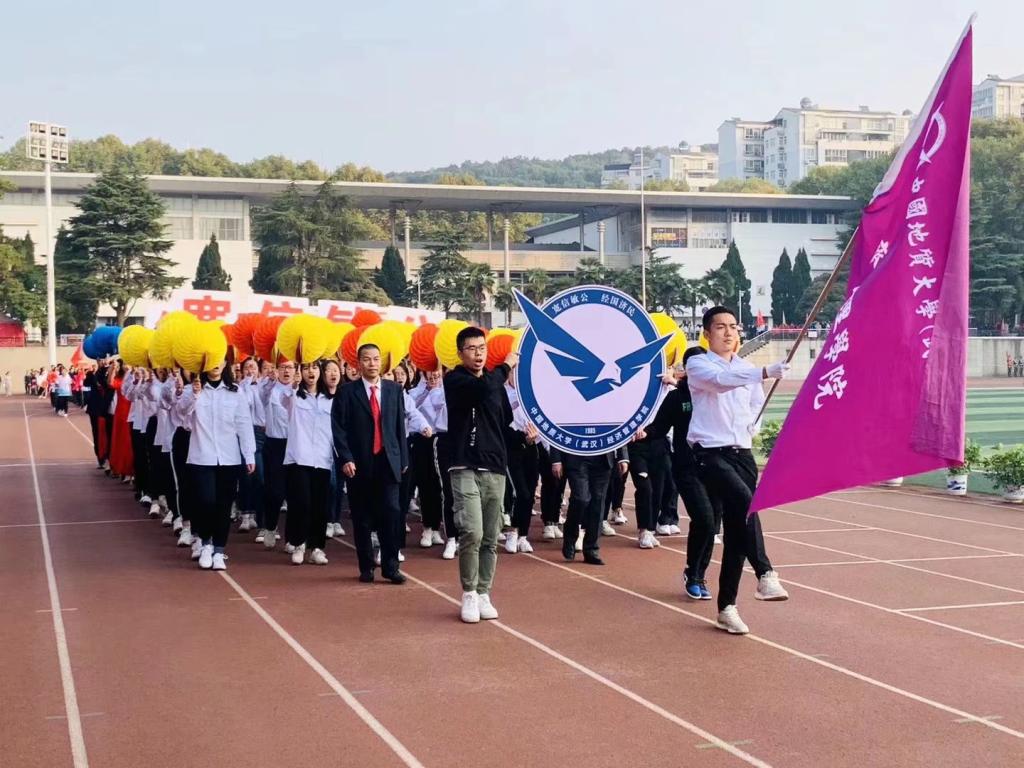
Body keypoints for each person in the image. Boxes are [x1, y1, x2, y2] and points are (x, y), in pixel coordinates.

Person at [686, 306, 790, 635]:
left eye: (733, 326)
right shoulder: (698, 364)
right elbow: (721, 383)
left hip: (742, 454)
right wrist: (764, 371)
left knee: (737, 532)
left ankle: (726, 608)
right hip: (710, 453)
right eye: (720, 327)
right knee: (747, 504)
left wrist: (752, 425)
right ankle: (765, 573)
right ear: (707, 333)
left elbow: (755, 404)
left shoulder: (746, 368)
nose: (729, 332)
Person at [442, 327, 516, 623]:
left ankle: (484, 591)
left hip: (494, 466)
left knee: (490, 535)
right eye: (472, 348)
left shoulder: (495, 384)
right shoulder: (455, 380)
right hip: (464, 465)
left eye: (482, 348)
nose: (478, 354)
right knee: (471, 531)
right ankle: (469, 592)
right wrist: (506, 366)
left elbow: (506, 419)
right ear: (460, 353)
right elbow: (482, 389)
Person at [644, 347, 722, 600]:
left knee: (712, 524)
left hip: (718, 467)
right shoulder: (677, 397)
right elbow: (658, 428)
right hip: (687, 468)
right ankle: (693, 573)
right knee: (704, 519)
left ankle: (698, 574)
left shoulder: (717, 393)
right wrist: (642, 433)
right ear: (688, 369)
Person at [332, 343, 409, 585]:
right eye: (367, 359)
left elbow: (399, 426)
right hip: (359, 463)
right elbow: (338, 429)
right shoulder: (347, 392)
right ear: (358, 363)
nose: (372, 363)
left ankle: (391, 566)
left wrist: (403, 458)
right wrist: (346, 458)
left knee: (392, 512)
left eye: (376, 359)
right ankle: (366, 566)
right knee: (362, 517)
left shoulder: (394, 390)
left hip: (388, 460)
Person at [175, 361, 255, 571]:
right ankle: (206, 543)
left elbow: (244, 423)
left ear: (225, 363)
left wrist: (249, 454)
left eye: (220, 359)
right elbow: (182, 418)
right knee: (206, 500)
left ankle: (219, 550)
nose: (216, 364)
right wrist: (194, 395)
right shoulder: (192, 390)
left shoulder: (235, 391)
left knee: (223, 505)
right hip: (201, 456)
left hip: (229, 457)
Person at [281, 360, 336, 566]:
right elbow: (281, 398)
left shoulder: (330, 399)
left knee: (320, 505)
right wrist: (292, 385)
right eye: (305, 368)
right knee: (301, 502)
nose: (310, 371)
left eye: (314, 367)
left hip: (322, 458)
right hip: (298, 457)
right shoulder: (294, 396)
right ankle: (299, 544)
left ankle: (317, 548)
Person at [550, 445, 629, 566]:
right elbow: (556, 432)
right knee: (581, 499)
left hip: (603, 458)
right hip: (576, 456)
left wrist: (623, 457)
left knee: (598, 504)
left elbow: (618, 432)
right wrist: (556, 459)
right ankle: (570, 535)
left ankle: (591, 549)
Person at [258, 358, 296, 549]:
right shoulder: (270, 389)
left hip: (296, 445)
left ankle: (292, 538)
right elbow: (262, 394)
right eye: (283, 367)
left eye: (290, 367)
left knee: (295, 493)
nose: (286, 371)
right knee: (275, 491)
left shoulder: (300, 389)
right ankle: (271, 527)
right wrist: (269, 379)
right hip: (275, 445)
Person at [503, 369, 541, 554]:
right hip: (512, 449)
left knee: (530, 492)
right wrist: (522, 437)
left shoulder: (532, 392)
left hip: (532, 448)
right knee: (520, 492)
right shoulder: (502, 393)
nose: (516, 376)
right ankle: (513, 531)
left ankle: (523, 536)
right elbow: (502, 425)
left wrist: (535, 437)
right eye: (513, 372)